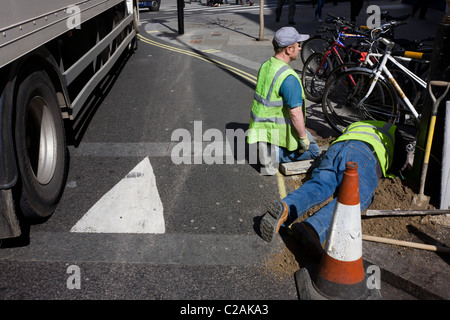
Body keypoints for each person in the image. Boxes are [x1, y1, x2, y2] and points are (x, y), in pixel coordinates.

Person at [258, 121, 410, 260]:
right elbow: (401, 163)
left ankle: (286, 207)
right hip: (364, 154)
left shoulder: (357, 124)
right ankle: (313, 228)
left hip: (336, 149)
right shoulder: (392, 129)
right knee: (356, 198)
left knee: (319, 184)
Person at [247, 27, 320, 175]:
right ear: (288, 49)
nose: (300, 48)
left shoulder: (267, 65)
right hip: (278, 130)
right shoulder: (289, 78)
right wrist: (303, 137)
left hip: (262, 126)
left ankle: (268, 147)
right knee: (313, 151)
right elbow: (295, 112)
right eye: (297, 45)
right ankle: (274, 155)